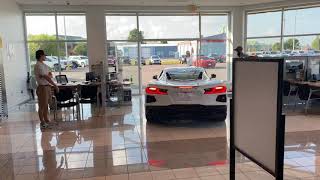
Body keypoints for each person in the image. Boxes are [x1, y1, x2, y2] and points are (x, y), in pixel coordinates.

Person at [34, 50, 59, 129]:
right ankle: (42, 122)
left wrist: (48, 76)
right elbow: (46, 76)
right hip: (42, 87)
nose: (45, 57)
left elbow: (49, 74)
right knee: (42, 105)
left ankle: (46, 120)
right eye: (44, 55)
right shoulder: (38, 65)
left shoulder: (43, 64)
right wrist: (54, 85)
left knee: (46, 105)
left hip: (47, 87)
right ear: (41, 56)